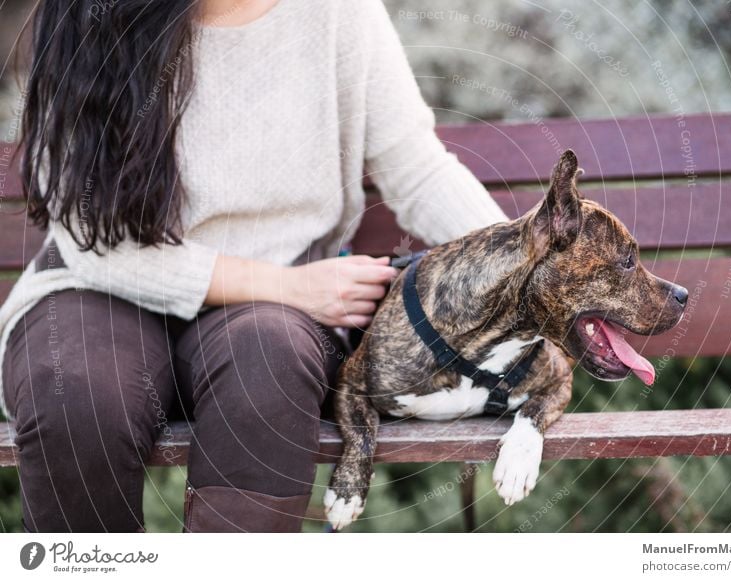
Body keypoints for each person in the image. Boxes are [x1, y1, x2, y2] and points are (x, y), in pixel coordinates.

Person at [0, 0, 507, 532]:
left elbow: (420, 172)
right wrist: (289, 286)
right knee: (75, 389)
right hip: (102, 283)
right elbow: (90, 239)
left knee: (267, 361)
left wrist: (525, 269)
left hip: (269, 312)